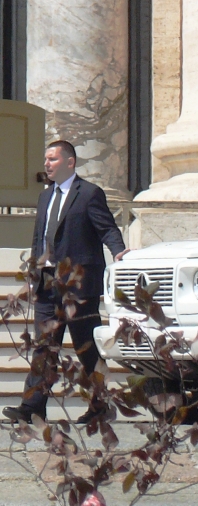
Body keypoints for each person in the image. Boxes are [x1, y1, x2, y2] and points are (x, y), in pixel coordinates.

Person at [3, 141, 128, 425]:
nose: (46, 164)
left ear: (70, 162)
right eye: (45, 159)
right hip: (48, 282)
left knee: (85, 346)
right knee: (44, 345)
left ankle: (100, 405)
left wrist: (119, 250)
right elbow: (39, 238)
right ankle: (33, 406)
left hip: (79, 284)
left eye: (52, 159)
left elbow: (106, 227)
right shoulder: (45, 197)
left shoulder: (89, 194)